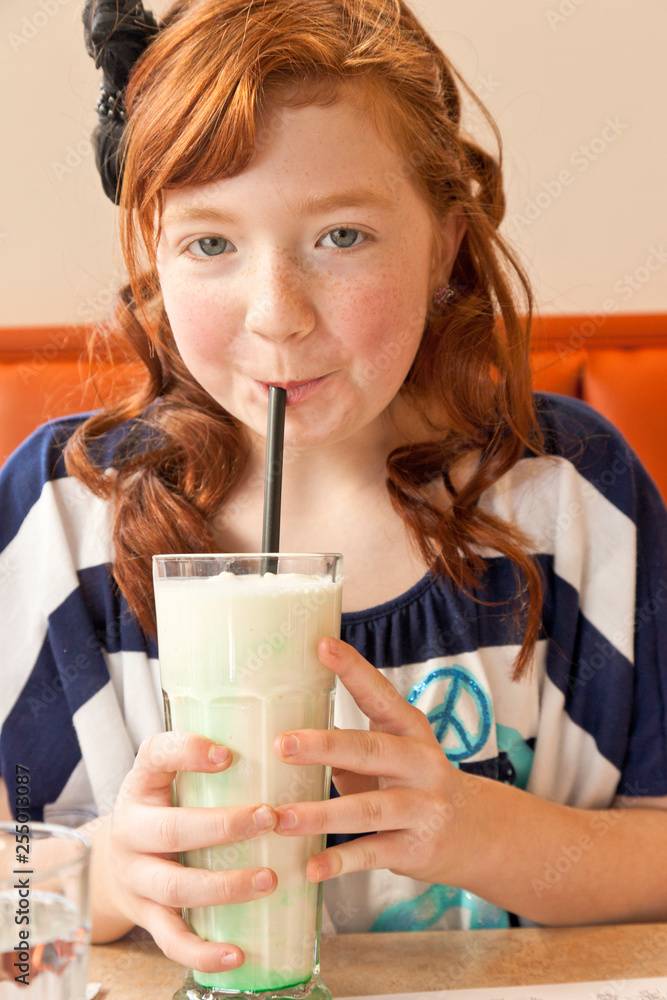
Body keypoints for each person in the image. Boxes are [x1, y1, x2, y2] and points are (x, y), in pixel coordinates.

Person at [1, 0, 667, 976]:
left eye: (342, 236)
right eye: (211, 243)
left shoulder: (568, 504)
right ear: (152, 247)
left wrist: (485, 834)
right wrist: (101, 879)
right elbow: (16, 917)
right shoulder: (60, 525)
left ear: (444, 243)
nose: (277, 317)